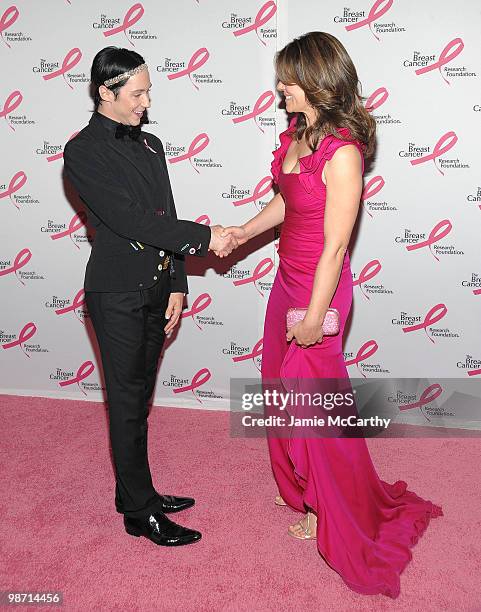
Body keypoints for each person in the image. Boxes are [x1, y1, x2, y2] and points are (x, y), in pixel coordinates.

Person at [222, 32, 443, 598]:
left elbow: (335, 247)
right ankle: (299, 486)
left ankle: (328, 510)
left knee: (315, 410)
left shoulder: (342, 151)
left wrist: (316, 315)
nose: (280, 90)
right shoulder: (299, 134)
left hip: (318, 290)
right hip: (286, 280)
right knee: (282, 389)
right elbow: (288, 198)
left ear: (317, 81)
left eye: (288, 81)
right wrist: (245, 232)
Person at [63, 46, 236, 547]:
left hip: (158, 286)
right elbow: (129, 221)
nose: (146, 101)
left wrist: (178, 283)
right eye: (138, 92)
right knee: (125, 402)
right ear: (106, 93)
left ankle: (134, 493)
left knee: (139, 399)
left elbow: (164, 216)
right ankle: (140, 513)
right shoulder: (83, 151)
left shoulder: (153, 145)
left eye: (148, 90)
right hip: (116, 293)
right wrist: (208, 239)